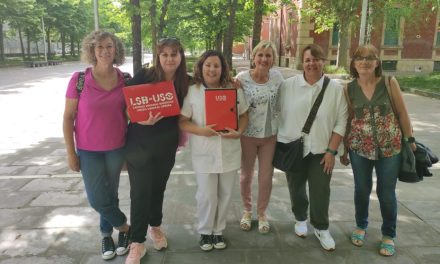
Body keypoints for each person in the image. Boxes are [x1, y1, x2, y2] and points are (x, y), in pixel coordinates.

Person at [340, 44, 415, 257]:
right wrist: (345, 149)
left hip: (390, 148)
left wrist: (410, 140)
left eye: (370, 58)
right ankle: (361, 226)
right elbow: (349, 119)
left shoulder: (390, 83)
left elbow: (402, 113)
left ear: (377, 62)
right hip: (359, 148)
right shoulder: (348, 88)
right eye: (360, 58)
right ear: (354, 63)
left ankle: (388, 234)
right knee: (361, 189)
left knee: (386, 193)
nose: (364, 61)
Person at [62, 30, 130, 260]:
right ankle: (125, 228)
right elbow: (68, 118)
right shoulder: (79, 80)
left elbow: (133, 116)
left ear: (116, 49)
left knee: (110, 194)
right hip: (88, 151)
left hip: (116, 147)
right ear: (92, 50)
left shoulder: (125, 80)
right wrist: (71, 153)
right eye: (99, 47)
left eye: (109, 46)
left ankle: (105, 235)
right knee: (96, 198)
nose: (104, 51)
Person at [124, 38, 190, 264]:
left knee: (157, 189)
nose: (170, 58)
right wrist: (139, 118)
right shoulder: (144, 76)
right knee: (140, 192)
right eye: (165, 54)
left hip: (165, 146)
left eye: (174, 54)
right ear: (158, 57)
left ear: (181, 56)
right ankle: (137, 242)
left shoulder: (186, 82)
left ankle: (155, 227)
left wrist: (236, 82)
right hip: (139, 144)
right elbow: (125, 105)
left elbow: (212, 83)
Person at [277, 44, 347, 251]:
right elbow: (275, 110)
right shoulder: (288, 86)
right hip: (293, 148)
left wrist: (332, 151)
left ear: (323, 61)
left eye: (316, 59)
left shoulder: (335, 89)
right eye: (308, 59)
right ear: (302, 62)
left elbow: (341, 121)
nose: (312, 63)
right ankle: (300, 218)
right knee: (295, 186)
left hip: (321, 150)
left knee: (321, 189)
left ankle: (321, 227)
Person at [179, 50, 249, 251]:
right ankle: (205, 231)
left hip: (229, 149)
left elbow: (244, 115)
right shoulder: (193, 91)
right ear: (201, 67)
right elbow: (182, 121)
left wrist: (239, 132)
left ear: (223, 68)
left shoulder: (233, 89)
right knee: (207, 195)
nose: (212, 69)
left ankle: (218, 231)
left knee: (226, 194)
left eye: (216, 65)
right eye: (208, 65)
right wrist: (201, 131)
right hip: (204, 152)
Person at [235, 40, 284, 234]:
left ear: (273, 59)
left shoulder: (278, 78)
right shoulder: (241, 78)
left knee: (266, 178)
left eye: (268, 56)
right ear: (254, 57)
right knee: (246, 176)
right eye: (260, 55)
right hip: (247, 135)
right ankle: (247, 211)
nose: (264, 59)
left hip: (269, 136)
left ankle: (262, 213)